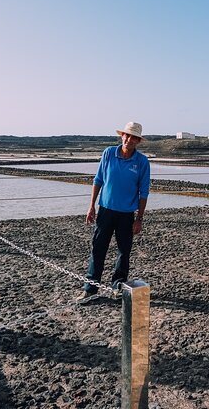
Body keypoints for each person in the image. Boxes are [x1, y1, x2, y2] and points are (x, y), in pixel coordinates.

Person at [79, 122, 151, 301]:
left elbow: (144, 191)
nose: (129, 139)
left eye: (134, 137)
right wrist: (91, 206)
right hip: (105, 211)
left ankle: (118, 285)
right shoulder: (109, 153)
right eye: (127, 135)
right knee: (98, 249)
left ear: (138, 141)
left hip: (127, 214)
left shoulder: (142, 161)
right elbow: (98, 180)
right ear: (122, 136)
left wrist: (139, 218)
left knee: (123, 251)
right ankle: (90, 288)